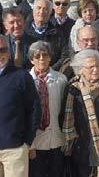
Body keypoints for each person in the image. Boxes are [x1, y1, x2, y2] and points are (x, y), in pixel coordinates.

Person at [0, 33, 41, 177]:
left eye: (3, 49)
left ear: (9, 50)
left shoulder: (22, 76)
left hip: (16, 149)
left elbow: (35, 109)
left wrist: (27, 141)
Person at [60, 49, 99, 176]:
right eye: (90, 67)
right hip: (83, 145)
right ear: (80, 69)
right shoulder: (73, 88)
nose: (95, 69)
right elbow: (64, 116)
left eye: (97, 65)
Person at [26, 41, 68, 177]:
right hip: (35, 141)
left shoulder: (61, 79)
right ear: (32, 60)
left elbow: (66, 109)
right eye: (37, 56)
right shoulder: (25, 80)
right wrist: (29, 145)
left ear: (50, 57)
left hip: (56, 139)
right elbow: (24, 114)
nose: (42, 59)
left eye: (45, 55)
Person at [24, 0, 71, 71]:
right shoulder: (24, 32)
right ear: (33, 11)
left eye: (45, 9)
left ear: (50, 13)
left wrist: (50, 70)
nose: (41, 12)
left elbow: (64, 55)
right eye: (39, 8)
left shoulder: (58, 33)